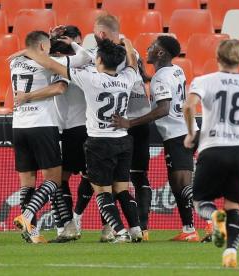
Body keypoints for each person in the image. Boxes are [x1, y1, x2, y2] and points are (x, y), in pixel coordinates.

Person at [22, 37, 143, 243]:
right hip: (123, 140)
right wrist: (128, 42)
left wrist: (29, 51)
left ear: (99, 60)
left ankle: (120, 233)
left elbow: (52, 65)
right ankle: (136, 230)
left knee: (102, 192)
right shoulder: (128, 77)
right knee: (122, 189)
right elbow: (132, 61)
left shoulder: (90, 79)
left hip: (99, 142)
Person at [183, 39, 239, 267]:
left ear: (217, 58)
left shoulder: (204, 81)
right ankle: (230, 252)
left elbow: (188, 106)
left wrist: (190, 133)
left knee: (200, 200)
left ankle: (215, 218)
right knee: (233, 206)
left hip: (213, 147)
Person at [112, 35, 202, 242]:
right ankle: (189, 230)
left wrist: (130, 123)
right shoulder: (176, 70)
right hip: (187, 131)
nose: (148, 49)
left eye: (153, 47)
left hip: (177, 136)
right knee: (178, 185)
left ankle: (211, 216)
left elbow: (163, 109)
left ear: (160, 53)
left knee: (182, 186)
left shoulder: (161, 78)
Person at [73, 13, 152, 241]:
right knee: (126, 184)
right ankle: (138, 229)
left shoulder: (98, 60)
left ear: (101, 34)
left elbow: (72, 66)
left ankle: (114, 229)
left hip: (108, 127)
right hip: (132, 125)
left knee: (100, 186)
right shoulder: (131, 55)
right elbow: (138, 73)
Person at [14, 26, 90, 242]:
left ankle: (33, 233)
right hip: (43, 124)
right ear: (41, 47)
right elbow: (79, 62)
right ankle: (28, 215)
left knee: (27, 182)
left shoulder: (14, 62)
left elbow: (24, 52)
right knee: (54, 180)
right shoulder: (52, 64)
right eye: (48, 44)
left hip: (18, 125)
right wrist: (71, 44)